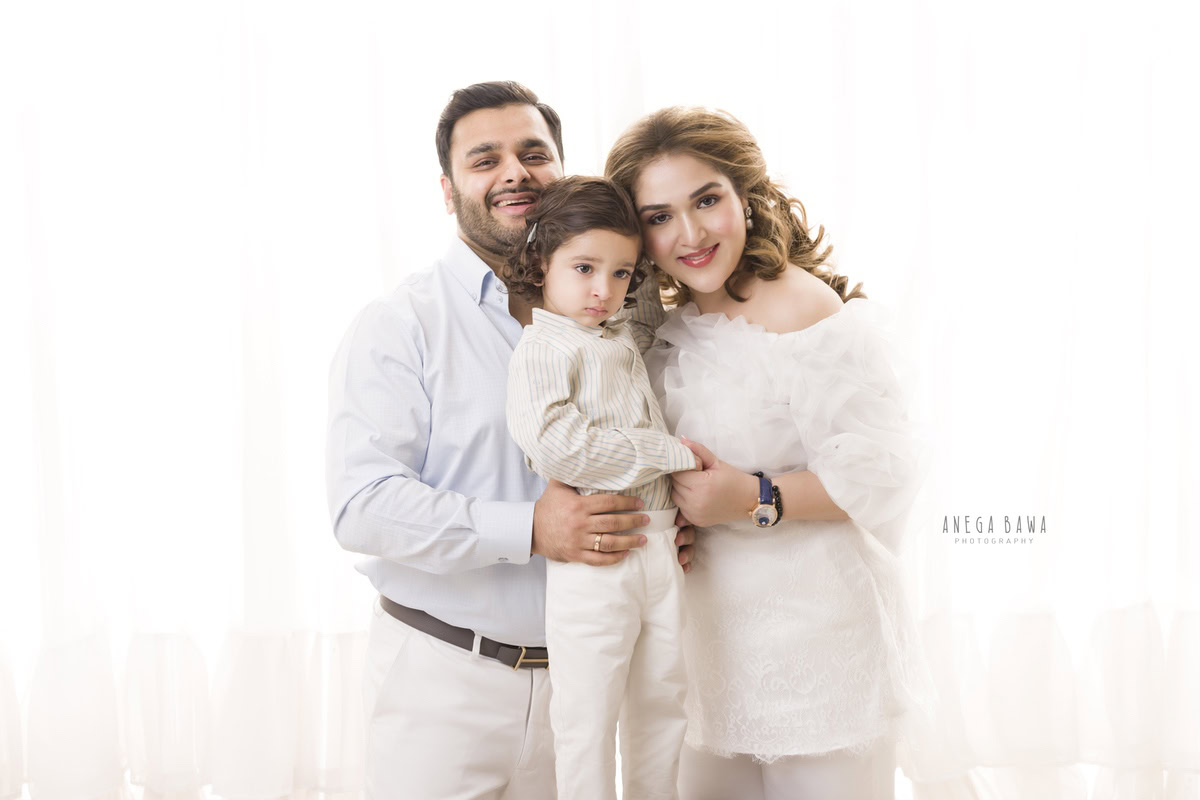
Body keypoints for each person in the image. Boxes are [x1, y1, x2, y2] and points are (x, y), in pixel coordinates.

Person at [325, 82, 696, 800]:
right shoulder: (403, 324)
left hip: (584, 682)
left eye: (534, 154)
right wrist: (531, 528)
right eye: (484, 159)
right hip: (446, 686)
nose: (515, 173)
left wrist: (663, 526)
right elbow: (361, 506)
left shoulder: (615, 316)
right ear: (448, 189)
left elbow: (645, 433)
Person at [605, 107, 931, 800]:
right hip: (707, 654)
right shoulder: (666, 326)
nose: (689, 234)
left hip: (816, 649)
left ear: (745, 197)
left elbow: (883, 474)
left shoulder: (803, 311)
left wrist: (755, 497)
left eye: (706, 200)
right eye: (659, 217)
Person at [502, 176, 699, 800]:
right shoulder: (543, 347)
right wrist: (670, 454)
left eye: (621, 274)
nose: (602, 290)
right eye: (585, 268)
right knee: (587, 721)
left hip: (662, 551)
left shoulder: (618, 335)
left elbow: (642, 310)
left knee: (664, 708)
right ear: (541, 261)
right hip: (597, 561)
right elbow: (561, 445)